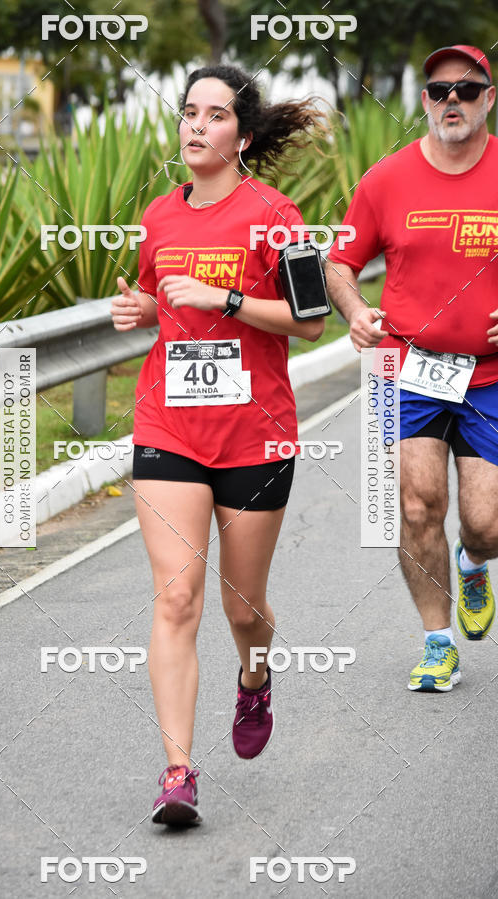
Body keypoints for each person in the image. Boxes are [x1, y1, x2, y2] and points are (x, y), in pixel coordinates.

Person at [110, 64, 326, 824]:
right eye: (188, 112)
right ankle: (177, 771)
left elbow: (310, 321)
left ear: (243, 133)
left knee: (242, 608)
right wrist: (142, 309)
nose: (196, 126)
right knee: (176, 596)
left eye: (215, 115)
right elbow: (157, 298)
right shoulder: (158, 217)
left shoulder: (280, 215)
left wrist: (226, 298)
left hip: (255, 434)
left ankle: (255, 675)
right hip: (168, 423)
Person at [326, 45, 498, 692]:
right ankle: (437, 640)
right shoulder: (386, 179)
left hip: (490, 375)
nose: (451, 99)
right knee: (417, 505)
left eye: (467, 88)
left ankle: (475, 559)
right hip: (405, 368)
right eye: (438, 90)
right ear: (424, 101)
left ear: (488, 98)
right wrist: (354, 310)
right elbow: (340, 263)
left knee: (487, 520)